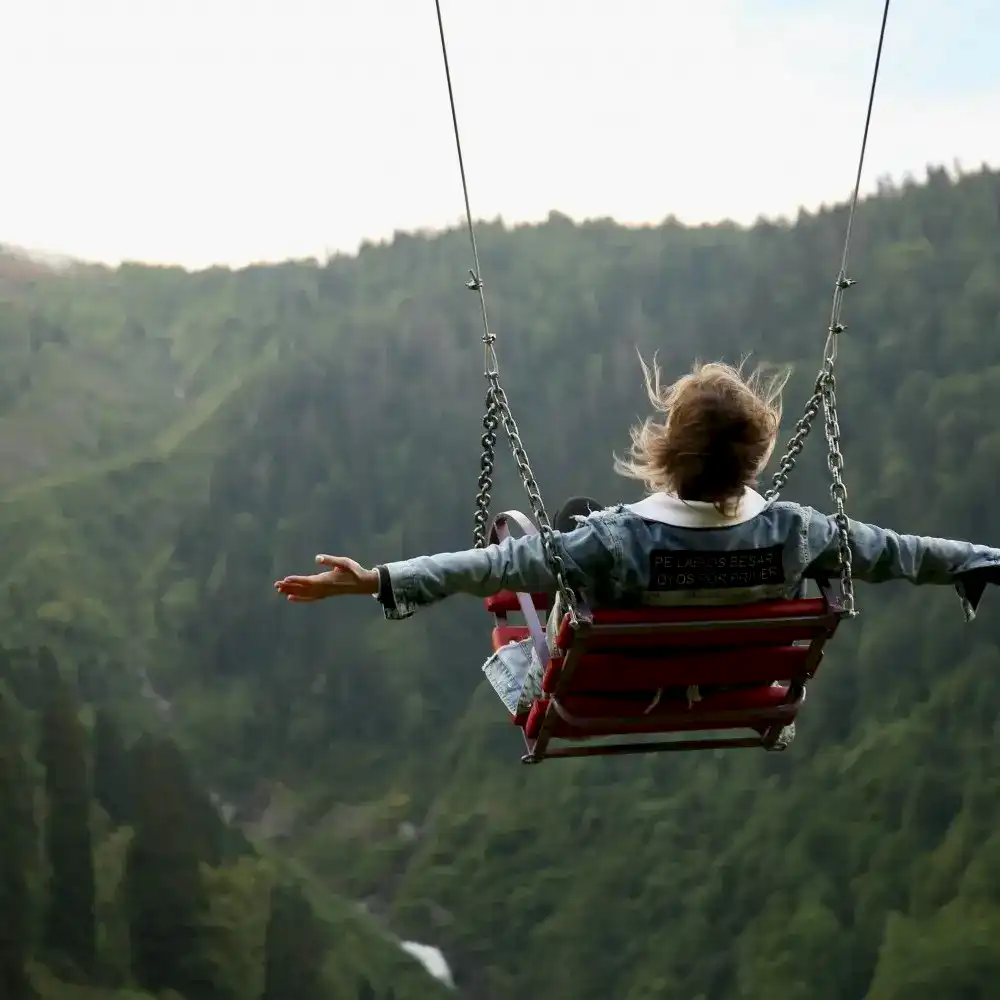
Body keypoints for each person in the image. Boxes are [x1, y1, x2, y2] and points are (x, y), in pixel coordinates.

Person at [274, 357, 1000, 716]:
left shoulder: (613, 541)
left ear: (666, 449)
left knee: (522, 590)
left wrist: (375, 578)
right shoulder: (798, 532)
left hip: (607, 697)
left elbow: (488, 562)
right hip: (735, 686)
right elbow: (903, 552)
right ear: (757, 455)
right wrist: (984, 560)